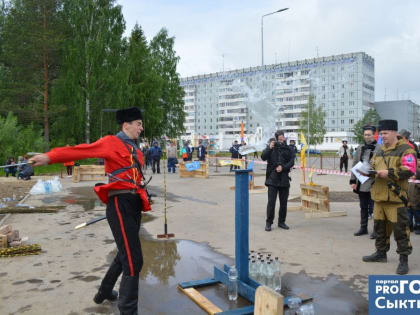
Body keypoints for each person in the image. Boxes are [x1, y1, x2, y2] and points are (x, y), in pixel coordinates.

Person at [29, 107, 151, 314]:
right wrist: (49, 157)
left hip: (134, 204)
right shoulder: (111, 142)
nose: (141, 128)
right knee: (133, 260)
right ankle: (128, 311)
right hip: (119, 203)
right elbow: (80, 151)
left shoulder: (137, 151)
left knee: (125, 255)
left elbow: (135, 177)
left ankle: (103, 291)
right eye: (138, 123)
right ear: (126, 125)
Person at [362, 120, 416, 275]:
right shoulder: (380, 151)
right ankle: (381, 253)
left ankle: (403, 260)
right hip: (379, 197)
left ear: (394, 132)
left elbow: (410, 169)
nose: (382, 137)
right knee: (379, 228)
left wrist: (389, 172)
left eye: (385, 133)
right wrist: (367, 171)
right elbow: (373, 165)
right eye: (381, 134)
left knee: (401, 230)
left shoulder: (406, 150)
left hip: (395, 198)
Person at [261, 131, 295, 231]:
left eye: (282, 136)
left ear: (284, 138)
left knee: (283, 203)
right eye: (279, 137)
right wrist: (269, 147)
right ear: (276, 138)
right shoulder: (272, 147)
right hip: (272, 179)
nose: (281, 138)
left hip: (284, 178)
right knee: (271, 202)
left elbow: (291, 162)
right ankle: (269, 223)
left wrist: (283, 167)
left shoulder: (289, 149)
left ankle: (281, 222)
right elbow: (263, 157)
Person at [349, 125, 378, 238]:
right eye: (365, 135)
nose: (367, 137)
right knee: (363, 206)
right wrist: (353, 180)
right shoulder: (360, 147)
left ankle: (377, 230)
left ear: (373, 135)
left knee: (375, 208)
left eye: (369, 135)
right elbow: (355, 164)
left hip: (374, 182)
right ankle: (363, 228)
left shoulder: (379, 148)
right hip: (361, 182)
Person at [398, 129, 420, 233]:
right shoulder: (409, 145)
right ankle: (411, 224)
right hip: (409, 179)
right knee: (409, 205)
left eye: (399, 137)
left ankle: (415, 224)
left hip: (411, 178)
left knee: (413, 205)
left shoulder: (409, 147)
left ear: (404, 138)